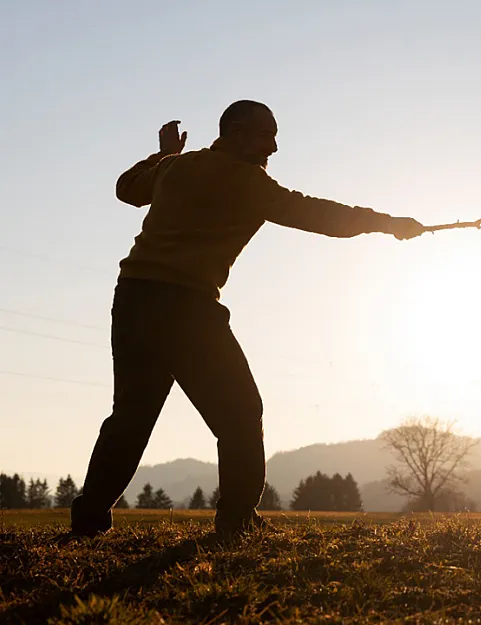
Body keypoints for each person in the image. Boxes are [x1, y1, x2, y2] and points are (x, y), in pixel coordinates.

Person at [69, 100, 426, 538]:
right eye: (266, 135)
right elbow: (320, 215)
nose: (274, 147)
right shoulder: (250, 183)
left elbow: (127, 189)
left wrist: (165, 156)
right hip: (187, 307)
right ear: (235, 132)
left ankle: (88, 517)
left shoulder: (176, 169)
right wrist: (388, 223)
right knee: (240, 412)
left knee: (130, 416)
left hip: (133, 299)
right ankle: (237, 518)